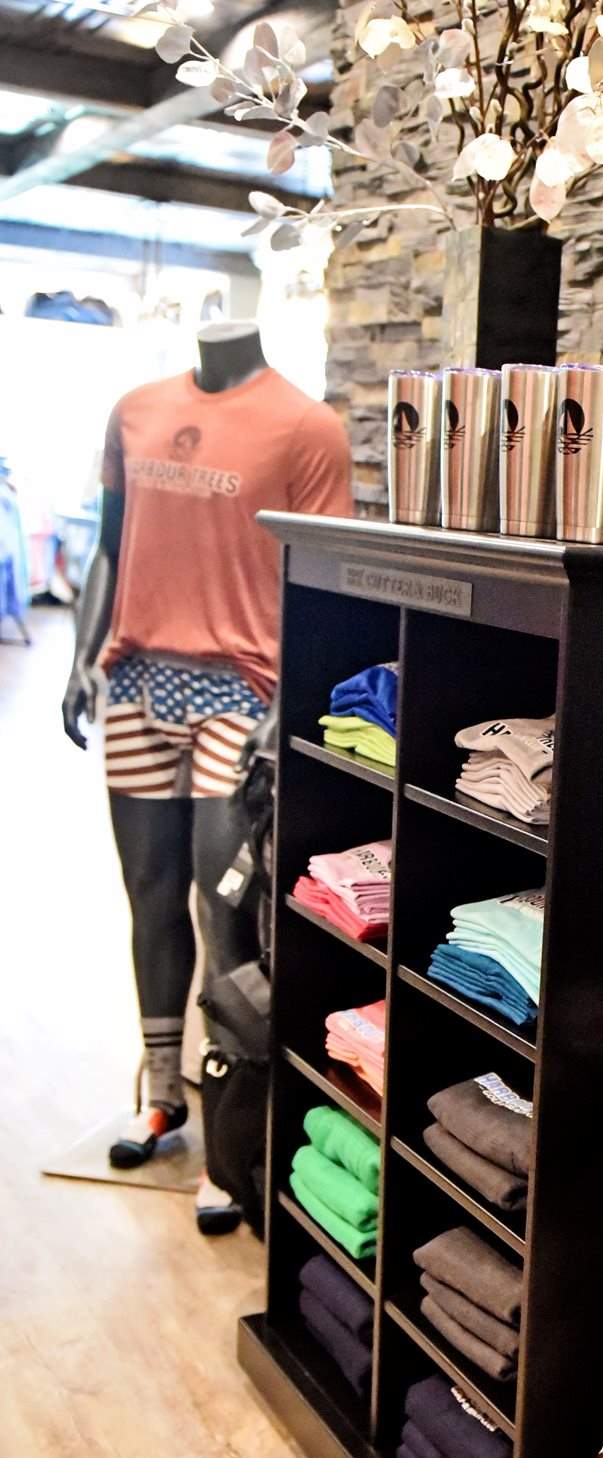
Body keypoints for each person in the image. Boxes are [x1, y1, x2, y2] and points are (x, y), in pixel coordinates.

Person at [62, 320, 351, 1232]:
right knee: (148, 896)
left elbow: (322, 582)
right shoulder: (135, 410)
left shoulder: (307, 426)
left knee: (223, 916)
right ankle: (160, 1097)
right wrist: (81, 656)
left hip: (243, 694)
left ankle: (230, 1148)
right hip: (137, 680)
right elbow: (109, 545)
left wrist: (289, 702)